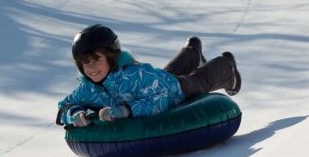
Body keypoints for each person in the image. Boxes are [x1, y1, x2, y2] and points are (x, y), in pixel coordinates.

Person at [56, 24, 242, 127]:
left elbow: (159, 100)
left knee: (198, 82)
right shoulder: (88, 87)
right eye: (85, 62)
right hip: (156, 80)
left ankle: (227, 66)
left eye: (97, 59)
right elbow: (65, 106)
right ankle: (192, 51)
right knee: (165, 73)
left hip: (172, 89)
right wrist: (75, 113)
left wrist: (127, 110)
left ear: (112, 58)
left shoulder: (135, 76)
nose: (91, 67)